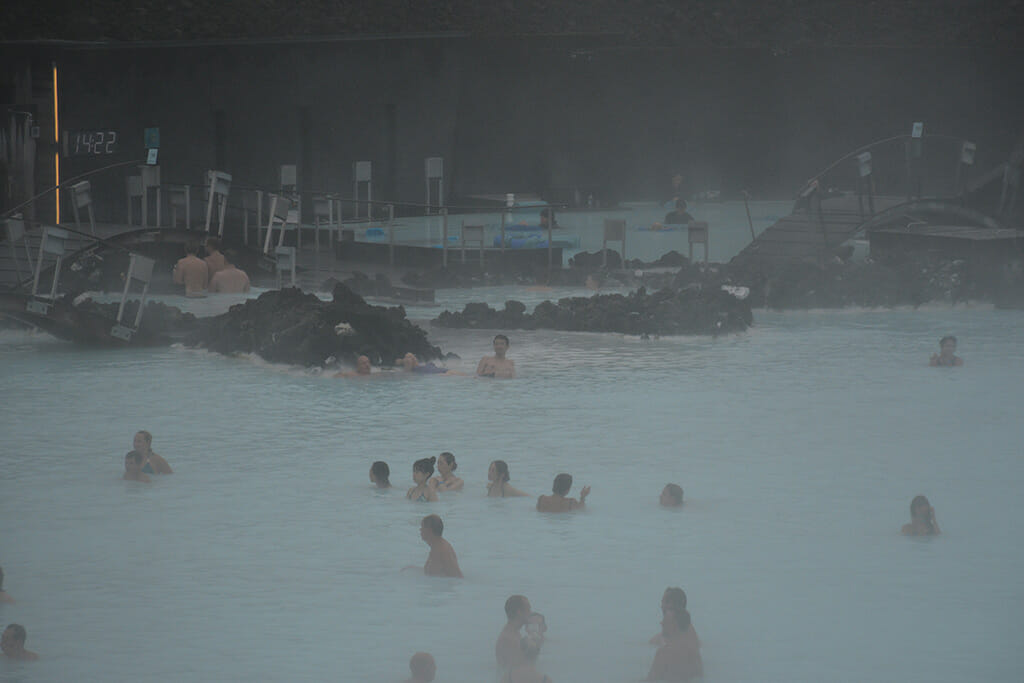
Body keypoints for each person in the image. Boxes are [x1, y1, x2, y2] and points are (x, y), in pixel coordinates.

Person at [645, 602, 702, 681]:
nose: (662, 623)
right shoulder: (694, 654)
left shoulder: (663, 654)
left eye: (665, 621)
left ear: (674, 625)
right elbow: (700, 677)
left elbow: (650, 680)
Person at [496, 595, 532, 670]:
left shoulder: (514, 633)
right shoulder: (508, 639)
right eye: (528, 609)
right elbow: (515, 671)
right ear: (519, 612)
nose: (531, 613)